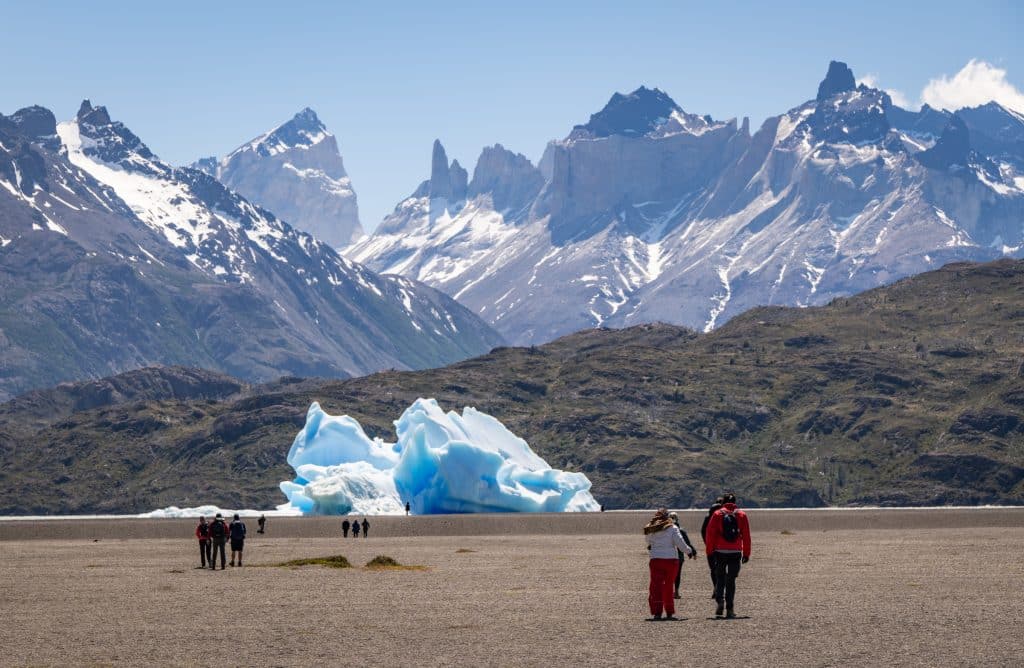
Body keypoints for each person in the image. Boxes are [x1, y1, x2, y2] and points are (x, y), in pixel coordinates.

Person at [704, 492, 751, 618]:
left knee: (720, 578)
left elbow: (710, 534)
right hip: (735, 551)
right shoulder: (741, 515)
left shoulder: (717, 514)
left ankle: (720, 601)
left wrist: (709, 552)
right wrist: (746, 553)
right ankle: (730, 608)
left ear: (723, 502)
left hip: (720, 551)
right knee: (731, 580)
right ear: (735, 502)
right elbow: (746, 536)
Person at [644, 508, 694, 621]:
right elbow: (680, 542)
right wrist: (689, 551)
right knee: (668, 585)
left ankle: (657, 612)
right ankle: (669, 612)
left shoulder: (651, 527)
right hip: (671, 561)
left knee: (656, 586)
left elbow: (648, 541)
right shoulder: (673, 527)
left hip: (655, 559)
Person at [668, 512, 697, 600]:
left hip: (668, 556)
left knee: (668, 575)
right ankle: (676, 592)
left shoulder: (666, 530)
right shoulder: (681, 530)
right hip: (679, 557)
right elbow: (687, 543)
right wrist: (693, 552)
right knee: (677, 574)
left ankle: (668, 592)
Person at [700, 497, 725, 598]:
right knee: (722, 569)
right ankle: (720, 589)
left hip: (711, 547)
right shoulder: (723, 515)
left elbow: (702, 531)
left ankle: (715, 587)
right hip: (722, 547)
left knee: (713, 569)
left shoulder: (708, 516)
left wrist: (707, 543)